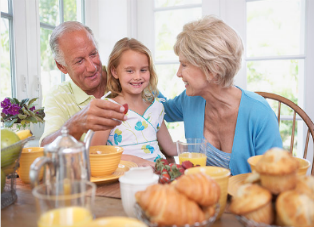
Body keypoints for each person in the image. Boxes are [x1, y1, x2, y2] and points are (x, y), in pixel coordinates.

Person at [160, 16, 283, 175]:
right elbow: (158, 108)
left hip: (245, 198)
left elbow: (275, 176)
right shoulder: (189, 100)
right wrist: (141, 79)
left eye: (184, 65)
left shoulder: (259, 113)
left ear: (212, 69)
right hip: (203, 196)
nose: (178, 73)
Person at [40, 21, 154, 166]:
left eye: (93, 54)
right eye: (80, 61)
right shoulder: (58, 96)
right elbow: (44, 151)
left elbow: (156, 115)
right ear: (61, 66)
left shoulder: (127, 77)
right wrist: (75, 124)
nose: (92, 67)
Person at [91, 38, 177, 165]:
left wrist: (202, 147)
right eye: (130, 71)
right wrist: (136, 161)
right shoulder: (108, 109)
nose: (137, 77)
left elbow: (170, 148)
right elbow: (95, 153)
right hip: (124, 178)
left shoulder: (156, 107)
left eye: (143, 70)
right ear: (115, 72)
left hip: (157, 175)